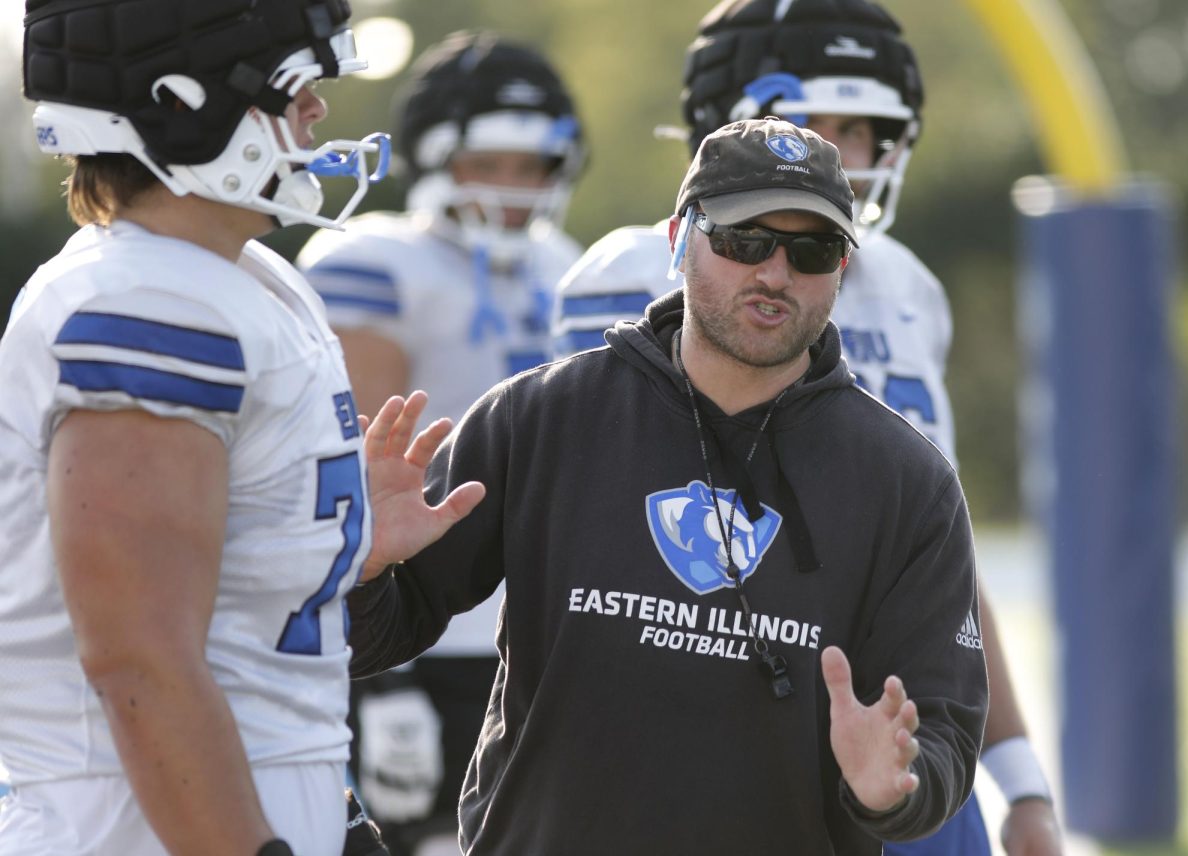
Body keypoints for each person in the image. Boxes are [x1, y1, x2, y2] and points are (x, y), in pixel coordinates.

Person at [347, 116, 988, 854]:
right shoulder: (539, 418)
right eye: (744, 240)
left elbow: (942, 729)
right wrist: (364, 570)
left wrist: (891, 791)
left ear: (843, 266)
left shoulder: (909, 482)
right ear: (681, 237)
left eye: (813, 249)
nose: (775, 273)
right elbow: (377, 637)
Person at [552, 2, 1064, 853]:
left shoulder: (909, 291)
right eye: (804, 121)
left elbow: (944, 562)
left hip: (901, 748)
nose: (835, 154)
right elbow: (599, 555)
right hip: (714, 749)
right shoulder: (638, 271)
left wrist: (1021, 782)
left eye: (857, 128)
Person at [0, 1, 483, 854]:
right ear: (181, 102)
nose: (317, 112)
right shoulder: (147, 301)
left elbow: (240, 652)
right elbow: (139, 659)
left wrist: (328, 543)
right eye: (295, 87)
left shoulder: (250, 279)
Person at [294, 30, 587, 856]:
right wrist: (386, 675)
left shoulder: (566, 265)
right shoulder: (378, 258)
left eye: (532, 167)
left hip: (536, 636)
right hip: (414, 625)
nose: (513, 188)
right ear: (434, 155)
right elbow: (356, 471)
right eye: (491, 161)